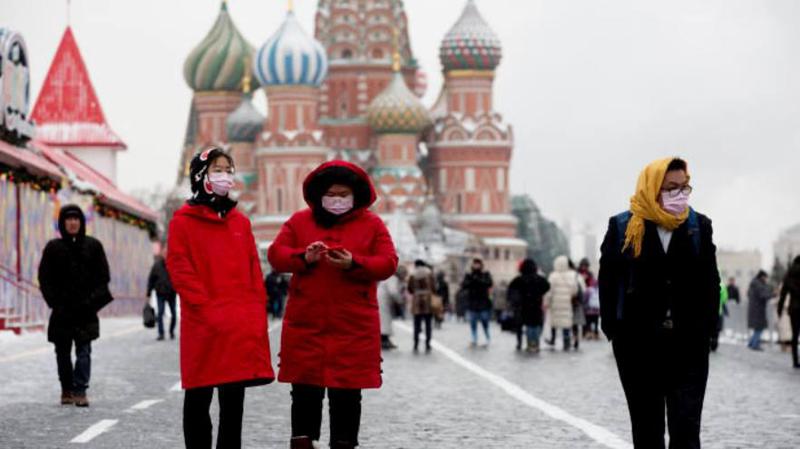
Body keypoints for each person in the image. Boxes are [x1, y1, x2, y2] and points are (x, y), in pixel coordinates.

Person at [267, 160, 398, 449]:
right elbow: (277, 256)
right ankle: (303, 441)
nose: (337, 200)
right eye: (331, 194)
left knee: (348, 394)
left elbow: (388, 262)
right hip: (307, 323)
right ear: (319, 195)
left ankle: (344, 443)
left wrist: (355, 263)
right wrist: (304, 257)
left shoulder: (372, 224)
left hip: (352, 325)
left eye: (343, 194)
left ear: (355, 195)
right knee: (304, 390)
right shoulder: (300, 222)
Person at [599, 157, 720, 449]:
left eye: (685, 187)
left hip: (688, 345)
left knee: (686, 430)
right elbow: (608, 280)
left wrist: (706, 329)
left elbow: (710, 282)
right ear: (652, 189)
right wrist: (614, 330)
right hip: (637, 347)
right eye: (671, 188)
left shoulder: (698, 227)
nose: (680, 195)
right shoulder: (623, 228)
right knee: (646, 430)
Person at [167, 147, 274, 449]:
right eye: (218, 169)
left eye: (229, 170)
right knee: (199, 396)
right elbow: (179, 266)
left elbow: (254, 268)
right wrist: (204, 306)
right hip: (204, 323)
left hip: (238, 323)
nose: (225, 176)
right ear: (201, 176)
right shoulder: (183, 221)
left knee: (233, 402)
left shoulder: (240, 222)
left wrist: (255, 308)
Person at [38, 204, 113, 407]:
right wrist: (54, 301)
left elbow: (103, 277)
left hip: (85, 312)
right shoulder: (53, 248)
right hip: (61, 312)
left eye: (76, 219)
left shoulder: (93, 246)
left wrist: (91, 302)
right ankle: (66, 389)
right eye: (68, 219)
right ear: (62, 223)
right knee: (62, 353)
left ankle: (80, 389)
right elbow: (44, 278)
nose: (73, 222)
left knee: (84, 351)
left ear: (82, 222)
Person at [507, 258, 550, 352]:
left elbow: (511, 290)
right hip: (536, 305)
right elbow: (547, 286)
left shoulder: (519, 279)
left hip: (524, 306)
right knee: (537, 325)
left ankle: (530, 343)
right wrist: (539, 293)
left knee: (529, 326)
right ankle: (536, 343)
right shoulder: (539, 279)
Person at [545, 256, 579, 351]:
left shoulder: (553, 276)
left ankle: (553, 339)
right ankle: (566, 342)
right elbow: (574, 291)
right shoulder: (571, 275)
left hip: (555, 304)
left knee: (554, 322)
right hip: (566, 304)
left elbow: (549, 291)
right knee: (566, 323)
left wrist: (547, 302)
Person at [461, 258, 493, 347]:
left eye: (478, 264)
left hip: (483, 301)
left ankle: (487, 338)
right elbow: (464, 285)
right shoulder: (469, 275)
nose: (476, 266)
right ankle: (474, 338)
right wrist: (472, 280)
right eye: (475, 264)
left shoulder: (485, 274)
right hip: (472, 302)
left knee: (484, 321)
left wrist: (479, 281)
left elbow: (489, 283)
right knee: (473, 322)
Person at [147, 249, 177, 340]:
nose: (166, 255)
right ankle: (161, 333)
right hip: (160, 293)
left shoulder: (174, 265)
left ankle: (171, 331)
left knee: (173, 314)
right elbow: (151, 279)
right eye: (164, 254)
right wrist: (148, 293)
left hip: (172, 293)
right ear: (162, 255)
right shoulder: (156, 266)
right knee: (160, 313)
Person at [408, 259, 436, 352]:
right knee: (428, 324)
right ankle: (428, 344)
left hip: (417, 301)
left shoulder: (412, 274)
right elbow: (434, 287)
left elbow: (410, 289)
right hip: (428, 300)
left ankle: (416, 344)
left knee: (416, 324)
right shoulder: (429, 273)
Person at [777, 256, 800, 368]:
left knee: (795, 336)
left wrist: (779, 310)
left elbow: (783, 296)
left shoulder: (789, 275)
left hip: (794, 309)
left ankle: (795, 361)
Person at [377, 268, 404, 350]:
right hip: (384, 300)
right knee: (385, 319)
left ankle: (385, 338)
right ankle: (384, 339)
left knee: (384, 319)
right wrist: (400, 300)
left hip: (382, 298)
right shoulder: (393, 278)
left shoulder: (389, 277)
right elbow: (393, 292)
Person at [747, 270, 772, 351]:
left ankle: (751, 343)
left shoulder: (754, 284)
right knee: (759, 328)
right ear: (762, 277)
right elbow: (763, 295)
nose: (766, 279)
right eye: (765, 277)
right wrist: (773, 294)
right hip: (758, 309)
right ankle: (755, 344)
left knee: (757, 328)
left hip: (754, 309)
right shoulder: (758, 284)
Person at [578, 260, 601, 340]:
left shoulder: (590, 274)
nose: (584, 267)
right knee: (585, 317)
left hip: (589, 298)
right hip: (581, 296)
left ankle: (592, 332)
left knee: (591, 318)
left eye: (585, 266)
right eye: (583, 265)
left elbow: (594, 284)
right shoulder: (577, 274)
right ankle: (586, 332)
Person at [710, 276, 729, 352]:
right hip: (718, 312)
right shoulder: (722, 286)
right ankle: (714, 345)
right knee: (716, 330)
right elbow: (725, 299)